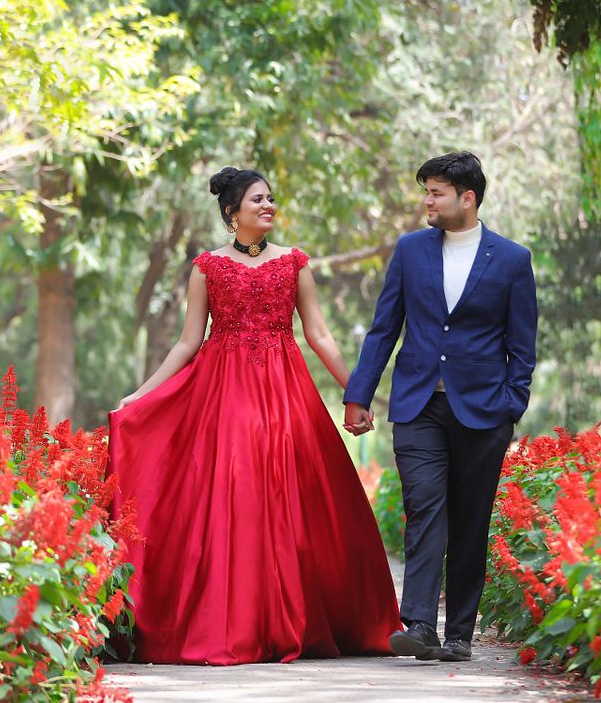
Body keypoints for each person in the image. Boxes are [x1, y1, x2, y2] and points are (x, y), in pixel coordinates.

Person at [108, 166, 399, 665]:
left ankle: (296, 617)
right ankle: (239, 620)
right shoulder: (207, 267)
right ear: (232, 212)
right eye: (257, 200)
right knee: (235, 490)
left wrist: (357, 392)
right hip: (222, 392)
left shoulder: (294, 262)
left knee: (293, 492)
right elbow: (187, 342)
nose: (268, 206)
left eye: (270, 198)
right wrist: (140, 395)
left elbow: (319, 335)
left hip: (285, 390)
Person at [343, 152, 537, 663]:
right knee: (425, 506)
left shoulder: (512, 260)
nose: (427, 201)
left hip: (483, 411)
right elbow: (384, 328)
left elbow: (522, 346)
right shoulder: (411, 251)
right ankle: (421, 624)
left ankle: (459, 635)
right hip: (417, 404)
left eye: (436, 193)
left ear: (466, 198)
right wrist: (359, 394)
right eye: (426, 192)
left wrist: (511, 405)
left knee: (470, 519)